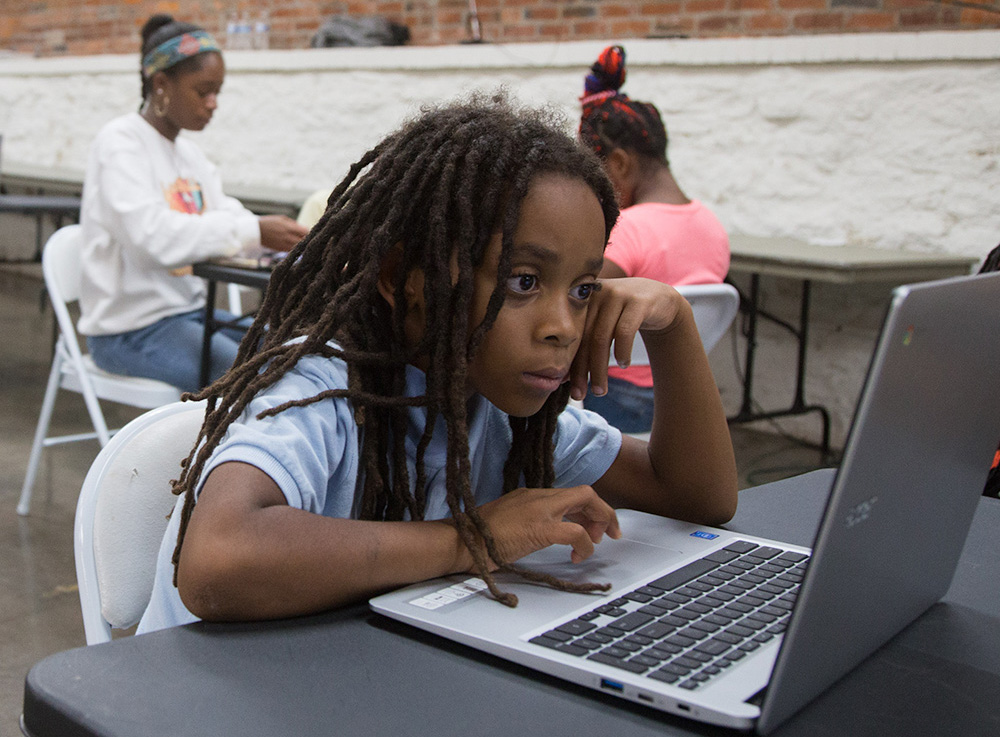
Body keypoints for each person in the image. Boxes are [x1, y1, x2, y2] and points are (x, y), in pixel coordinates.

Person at [136, 93, 738, 634]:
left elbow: (696, 498)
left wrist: (676, 326)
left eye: (583, 289)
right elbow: (217, 560)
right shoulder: (323, 388)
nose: (563, 325)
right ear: (405, 279)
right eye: (522, 281)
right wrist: (473, 538)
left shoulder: (500, 405)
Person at [78, 14, 309, 394]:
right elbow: (152, 238)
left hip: (188, 316)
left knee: (291, 352)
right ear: (161, 84)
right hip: (128, 332)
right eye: (203, 90)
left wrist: (276, 233)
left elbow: (222, 212)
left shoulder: (189, 154)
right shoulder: (119, 143)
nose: (213, 103)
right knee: (250, 376)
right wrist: (253, 230)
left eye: (218, 90)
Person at [578, 45, 730, 433]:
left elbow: (580, 308)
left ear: (619, 163)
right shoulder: (710, 224)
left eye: (595, 173)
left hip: (614, 397)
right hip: (678, 395)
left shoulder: (628, 228)